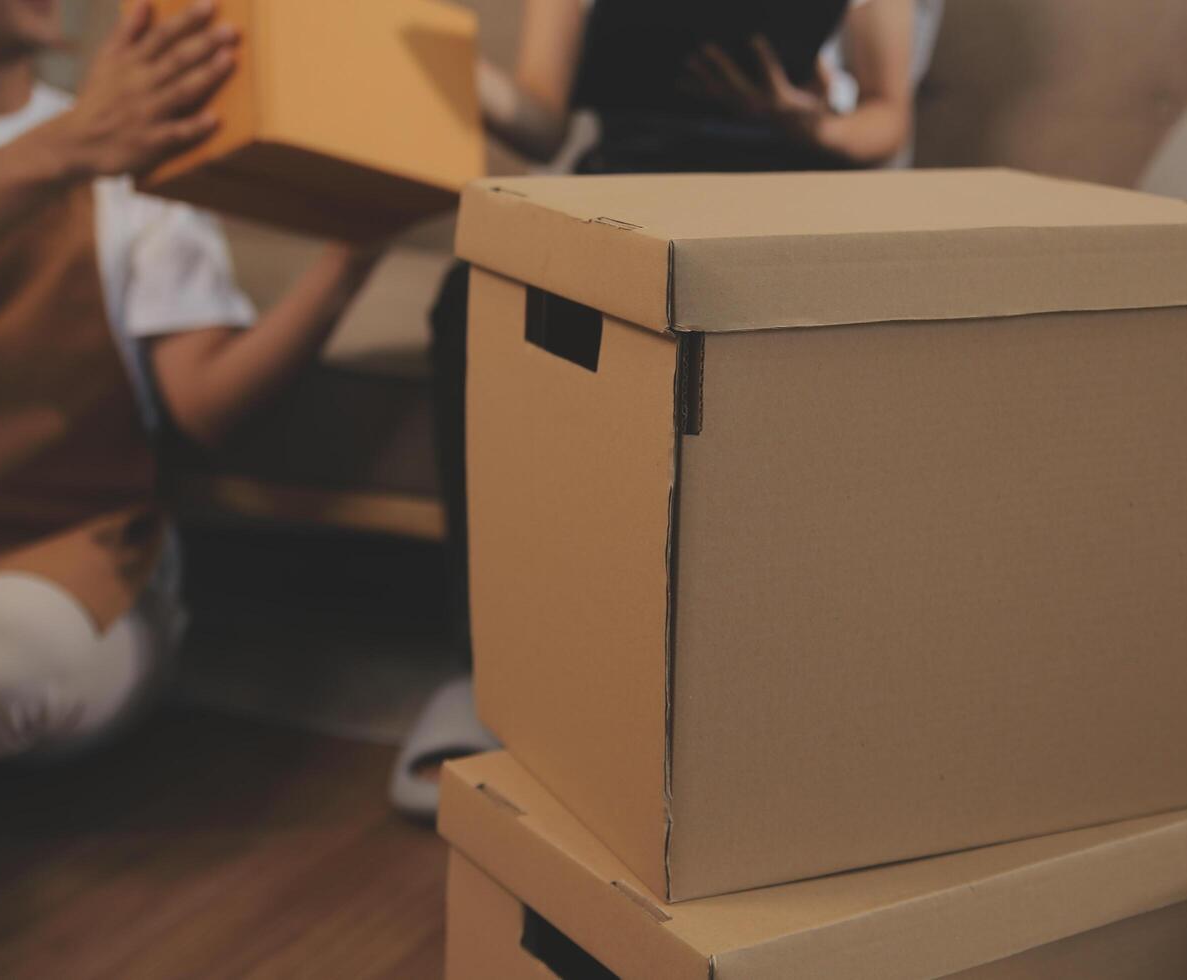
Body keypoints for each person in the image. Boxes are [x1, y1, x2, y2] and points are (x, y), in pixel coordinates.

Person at [392, 0, 942, 815]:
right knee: (475, 302)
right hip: (626, 189)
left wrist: (807, 124)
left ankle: (777, 687)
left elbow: (886, 116)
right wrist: (421, 55)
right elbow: (542, 119)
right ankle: (493, 671)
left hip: (785, 194)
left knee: (793, 340)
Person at [0, 0, 385, 916]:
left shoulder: (127, 157)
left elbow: (203, 404)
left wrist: (350, 261)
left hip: (63, 564)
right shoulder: (86, 140)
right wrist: (67, 147)